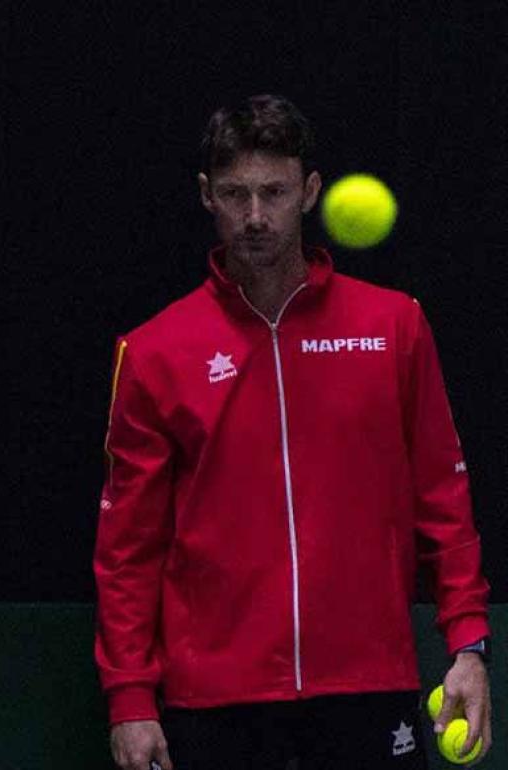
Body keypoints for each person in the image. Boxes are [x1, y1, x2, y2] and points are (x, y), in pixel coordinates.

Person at [94, 94, 492, 770]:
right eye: (235, 194)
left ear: (309, 193)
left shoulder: (394, 325)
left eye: (273, 192)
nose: (255, 216)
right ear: (206, 197)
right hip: (215, 702)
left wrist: (469, 646)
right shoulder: (156, 351)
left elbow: (443, 497)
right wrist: (130, 698)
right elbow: (129, 549)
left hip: (368, 685)